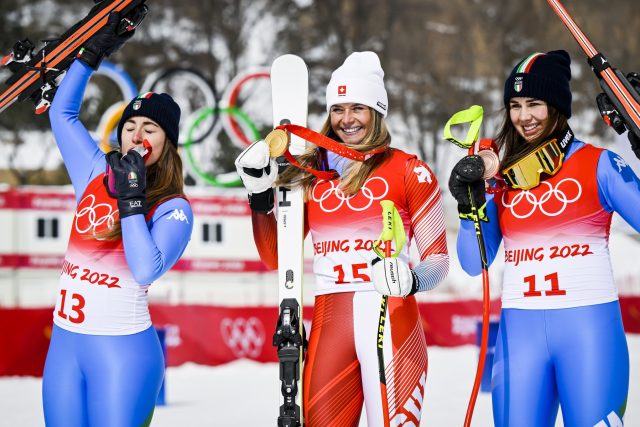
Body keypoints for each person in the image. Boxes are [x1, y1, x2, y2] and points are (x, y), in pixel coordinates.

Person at [236, 51, 449, 426]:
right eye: (337, 109)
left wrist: (412, 279)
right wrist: (258, 198)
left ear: (377, 112)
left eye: (358, 108)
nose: (346, 119)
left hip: (390, 315)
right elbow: (275, 258)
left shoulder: (408, 170)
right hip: (330, 317)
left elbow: (439, 261)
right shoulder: (309, 174)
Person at [449, 50, 640, 426]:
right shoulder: (500, 178)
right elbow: (474, 263)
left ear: (557, 106)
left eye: (535, 103)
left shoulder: (598, 164)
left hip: (589, 334)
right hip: (520, 338)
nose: (524, 116)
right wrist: (470, 202)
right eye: (515, 105)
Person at [42, 13, 193, 427]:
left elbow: (145, 267)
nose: (137, 136)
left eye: (151, 129)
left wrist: (132, 198)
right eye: (130, 126)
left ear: (168, 143)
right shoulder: (94, 172)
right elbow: (62, 114)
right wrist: (92, 55)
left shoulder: (172, 208)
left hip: (123, 355)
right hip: (65, 347)